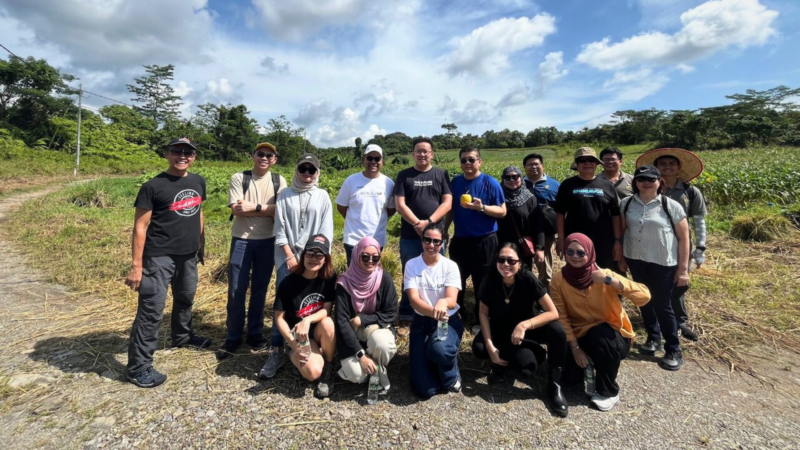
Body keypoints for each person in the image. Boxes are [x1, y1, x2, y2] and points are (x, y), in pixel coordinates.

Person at [124, 137, 212, 388]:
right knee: (151, 311)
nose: (182, 156)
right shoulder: (153, 186)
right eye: (177, 151)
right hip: (159, 257)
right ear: (167, 154)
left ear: (194, 157)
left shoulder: (198, 182)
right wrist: (136, 266)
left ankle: (182, 336)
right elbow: (140, 227)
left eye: (188, 152)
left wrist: (201, 244)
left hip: (188, 255)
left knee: (185, 298)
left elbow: (198, 213)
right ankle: (138, 367)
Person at [550, 234, 651, 411]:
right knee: (570, 379)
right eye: (570, 252)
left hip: (613, 337)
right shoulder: (559, 280)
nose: (575, 256)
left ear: (590, 253)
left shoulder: (605, 275)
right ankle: (594, 365)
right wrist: (575, 348)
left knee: (600, 334)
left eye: (581, 253)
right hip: (581, 336)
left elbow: (644, 297)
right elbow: (562, 317)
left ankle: (608, 392)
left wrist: (609, 280)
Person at [471, 243, 569, 417]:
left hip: (526, 330)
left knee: (556, 332)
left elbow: (553, 312)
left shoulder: (527, 278)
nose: (505, 264)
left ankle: (554, 385)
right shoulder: (490, 278)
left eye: (511, 260)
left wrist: (524, 325)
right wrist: (490, 347)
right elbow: (483, 314)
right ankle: (500, 363)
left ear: (520, 262)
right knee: (480, 348)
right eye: (501, 259)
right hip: (500, 329)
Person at [260, 153, 334, 379]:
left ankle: (311, 342)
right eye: (303, 168)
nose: (307, 173)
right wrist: (290, 256)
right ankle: (277, 350)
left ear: (317, 172)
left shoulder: (322, 196)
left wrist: (318, 256)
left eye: (312, 169)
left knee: (311, 302)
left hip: (314, 258)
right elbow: (280, 228)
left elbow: (326, 230)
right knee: (282, 307)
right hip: (288, 259)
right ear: (297, 170)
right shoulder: (285, 194)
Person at [618, 165, 690, 371]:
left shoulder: (670, 205)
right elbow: (623, 232)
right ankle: (653, 338)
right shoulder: (626, 203)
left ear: (659, 181)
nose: (646, 183)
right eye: (642, 179)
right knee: (643, 300)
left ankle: (673, 349)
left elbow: (684, 238)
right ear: (635, 182)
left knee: (663, 305)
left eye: (651, 179)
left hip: (663, 262)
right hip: (636, 259)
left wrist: (683, 269)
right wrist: (622, 257)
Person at [219, 142, 287, 359]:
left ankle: (255, 333)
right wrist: (268, 210)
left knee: (260, 289)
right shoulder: (239, 178)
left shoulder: (279, 180)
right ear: (253, 155)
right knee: (236, 289)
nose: (264, 158)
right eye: (261, 154)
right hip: (242, 240)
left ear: (274, 160)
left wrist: (254, 207)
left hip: (268, 241)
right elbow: (237, 209)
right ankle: (233, 335)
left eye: (269, 155)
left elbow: (282, 210)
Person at [637, 148, 707, 342]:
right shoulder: (648, 188)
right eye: (662, 164)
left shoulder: (689, 191)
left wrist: (700, 248)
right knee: (655, 283)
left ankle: (680, 320)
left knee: (679, 283)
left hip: (681, 246)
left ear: (679, 167)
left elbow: (699, 221)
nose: (667, 167)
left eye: (671, 164)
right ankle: (657, 319)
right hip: (654, 246)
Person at [393, 137, 453, 333]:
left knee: (438, 273)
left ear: (432, 154)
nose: (422, 154)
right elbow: (400, 205)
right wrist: (417, 224)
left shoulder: (441, 174)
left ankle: (438, 310)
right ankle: (407, 313)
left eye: (425, 151)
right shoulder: (404, 175)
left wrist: (428, 223)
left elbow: (447, 203)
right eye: (418, 151)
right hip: (410, 234)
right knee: (410, 273)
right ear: (413, 154)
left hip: (435, 235)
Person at [448, 147, 506, 333]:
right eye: (464, 160)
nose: (467, 163)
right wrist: (444, 229)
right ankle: (456, 314)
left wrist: (482, 208)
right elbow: (451, 210)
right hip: (460, 240)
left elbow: (502, 211)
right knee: (456, 279)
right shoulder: (455, 182)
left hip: (485, 240)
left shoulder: (490, 182)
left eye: (471, 160)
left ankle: (481, 318)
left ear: (479, 162)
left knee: (483, 281)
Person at [272, 234, 337, 399]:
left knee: (328, 323)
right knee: (313, 373)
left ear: (325, 259)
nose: (313, 258)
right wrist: (293, 344)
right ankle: (292, 355)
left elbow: (327, 310)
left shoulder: (329, 279)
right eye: (310, 253)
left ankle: (329, 367)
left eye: (319, 255)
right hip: (297, 336)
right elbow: (279, 318)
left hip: (317, 331)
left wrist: (307, 320)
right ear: (303, 255)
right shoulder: (288, 283)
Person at [405, 222, 463, 399]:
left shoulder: (450, 266)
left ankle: (451, 374)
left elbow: (452, 300)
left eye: (436, 241)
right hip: (421, 322)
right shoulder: (412, 265)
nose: (431, 245)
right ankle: (432, 358)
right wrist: (433, 312)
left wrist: (443, 302)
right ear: (421, 240)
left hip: (447, 320)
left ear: (443, 242)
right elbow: (414, 300)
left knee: (440, 349)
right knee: (425, 389)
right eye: (427, 240)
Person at [335, 237, 398, 389]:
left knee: (383, 344)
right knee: (357, 375)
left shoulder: (384, 279)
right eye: (365, 257)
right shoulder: (344, 283)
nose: (370, 261)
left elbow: (391, 312)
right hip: (351, 336)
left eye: (375, 257)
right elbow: (342, 322)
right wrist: (361, 355)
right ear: (357, 256)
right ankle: (374, 369)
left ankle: (376, 368)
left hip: (375, 331)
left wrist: (362, 319)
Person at [555, 147, 622, 271]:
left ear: (596, 163)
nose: (587, 163)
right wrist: (561, 238)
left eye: (591, 160)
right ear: (577, 164)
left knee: (603, 273)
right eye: (582, 160)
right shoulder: (567, 185)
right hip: (576, 240)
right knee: (578, 272)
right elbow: (560, 213)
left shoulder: (607, 185)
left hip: (604, 240)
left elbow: (615, 215)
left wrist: (617, 240)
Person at [335, 144, 396, 267]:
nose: (373, 162)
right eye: (370, 158)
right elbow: (341, 207)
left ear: (382, 161)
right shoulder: (351, 180)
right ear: (364, 159)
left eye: (377, 158)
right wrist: (354, 220)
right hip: (353, 240)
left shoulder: (388, 183)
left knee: (372, 273)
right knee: (354, 274)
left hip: (377, 239)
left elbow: (391, 209)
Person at [523, 153, 560, 288]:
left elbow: (561, 211)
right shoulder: (519, 183)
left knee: (544, 265)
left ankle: (544, 291)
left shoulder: (554, 185)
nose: (533, 167)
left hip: (546, 232)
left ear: (542, 166)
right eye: (530, 165)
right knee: (522, 263)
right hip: (523, 231)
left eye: (536, 164)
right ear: (525, 167)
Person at [496, 166, 545, 270]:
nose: (511, 180)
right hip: (500, 246)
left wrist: (540, 248)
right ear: (503, 179)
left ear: (521, 178)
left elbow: (538, 224)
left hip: (522, 247)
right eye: (507, 177)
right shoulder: (496, 197)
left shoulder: (530, 199)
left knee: (523, 275)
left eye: (515, 177)